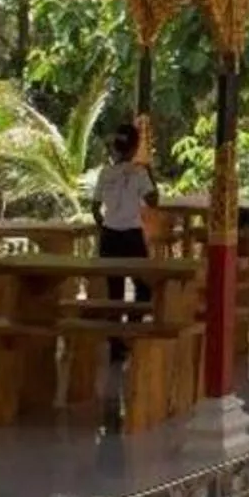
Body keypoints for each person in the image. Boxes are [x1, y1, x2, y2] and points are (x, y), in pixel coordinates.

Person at [91, 121, 157, 360]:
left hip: (110, 236)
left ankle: (115, 343)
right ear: (135, 147)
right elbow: (153, 201)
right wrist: (150, 172)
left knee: (115, 292)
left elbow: (95, 208)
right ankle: (130, 331)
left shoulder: (105, 173)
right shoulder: (139, 173)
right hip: (130, 236)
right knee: (144, 289)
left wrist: (105, 227)